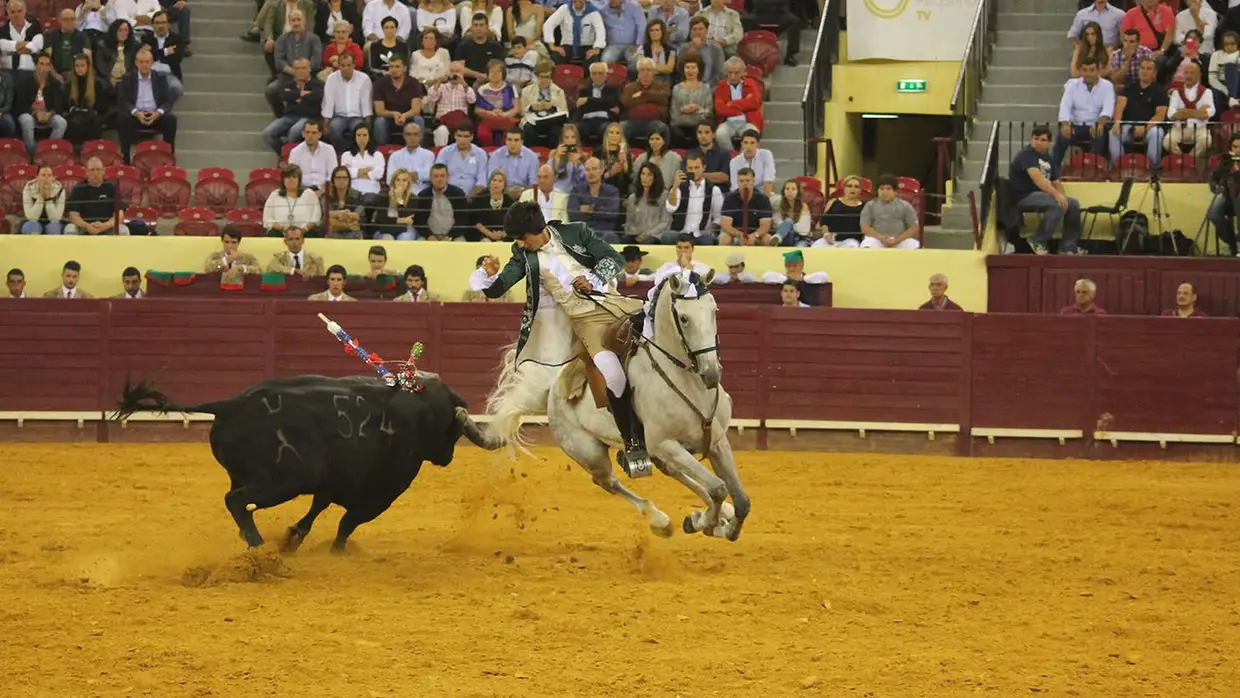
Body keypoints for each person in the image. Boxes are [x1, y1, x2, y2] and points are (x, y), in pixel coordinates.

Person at [479, 201, 650, 476]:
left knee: (654, 332)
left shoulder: (575, 232)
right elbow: (501, 287)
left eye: (523, 238)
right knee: (604, 365)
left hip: (608, 302)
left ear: (537, 230)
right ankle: (631, 443)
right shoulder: (523, 253)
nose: (521, 244)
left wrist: (592, 279)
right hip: (574, 322)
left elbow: (613, 259)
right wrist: (489, 277)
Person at [1008, 125, 1083, 256]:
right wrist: (1056, 196)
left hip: (1041, 196)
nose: (1038, 142)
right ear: (1031, 139)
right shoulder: (1026, 154)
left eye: (1042, 140)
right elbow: (1038, 179)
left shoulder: (1048, 159)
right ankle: (1038, 239)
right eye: (1035, 138)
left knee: (1073, 204)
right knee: (1055, 203)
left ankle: (1068, 247)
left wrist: (1062, 197)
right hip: (1023, 196)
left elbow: (1056, 182)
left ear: (1048, 143)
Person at [1208, 133, 1240, 257]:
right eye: (1235, 147)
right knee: (1214, 214)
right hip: (1228, 196)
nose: (1237, 150)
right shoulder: (1227, 161)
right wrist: (1216, 188)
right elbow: (1213, 177)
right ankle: (1232, 244)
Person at [21, 164, 66, 234]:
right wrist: (40, 197)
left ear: (53, 178)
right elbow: (31, 217)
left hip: (53, 222)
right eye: (43, 175)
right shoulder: (28, 188)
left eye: (49, 175)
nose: (46, 178)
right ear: (37, 177)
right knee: (31, 227)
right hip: (33, 221)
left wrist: (48, 198)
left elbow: (55, 219)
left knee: (54, 228)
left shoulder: (60, 190)